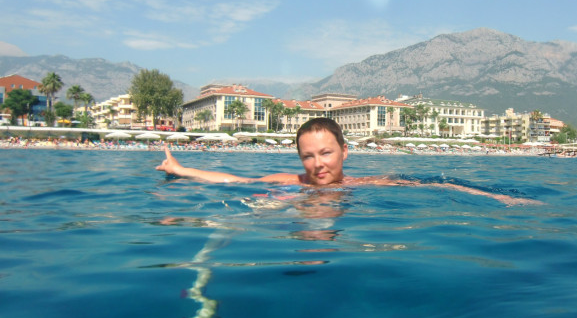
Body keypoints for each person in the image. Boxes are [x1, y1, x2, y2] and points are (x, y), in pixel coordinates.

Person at [156, 117, 539, 205]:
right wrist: (181, 169)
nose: (317, 164)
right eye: (308, 156)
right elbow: (232, 180)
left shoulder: (363, 185)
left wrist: (497, 197)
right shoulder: (290, 181)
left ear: (344, 152)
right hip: (288, 210)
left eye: (326, 153)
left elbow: (437, 185)